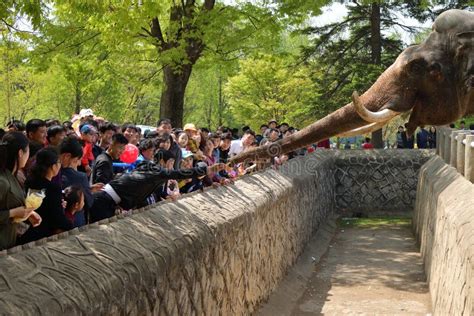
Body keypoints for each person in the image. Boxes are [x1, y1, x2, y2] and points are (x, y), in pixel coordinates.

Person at [88, 158, 227, 222]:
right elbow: (180, 173)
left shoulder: (146, 174)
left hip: (109, 199)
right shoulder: (156, 174)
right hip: (103, 200)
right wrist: (207, 169)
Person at [19, 147, 73, 244]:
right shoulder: (52, 188)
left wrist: (58, 205)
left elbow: (41, 206)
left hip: (29, 232)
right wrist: (70, 225)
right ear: (53, 166)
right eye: (59, 162)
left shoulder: (30, 181)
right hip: (43, 234)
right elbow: (57, 218)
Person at [0, 132, 41, 250]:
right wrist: (13, 213)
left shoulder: (11, 175)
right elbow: (9, 210)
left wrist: (28, 213)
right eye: (28, 151)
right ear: (20, 153)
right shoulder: (3, 181)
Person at [60, 137, 98, 226]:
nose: (79, 164)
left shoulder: (50, 171)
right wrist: (88, 192)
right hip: (74, 221)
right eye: (77, 160)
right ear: (68, 156)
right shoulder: (80, 176)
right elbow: (89, 202)